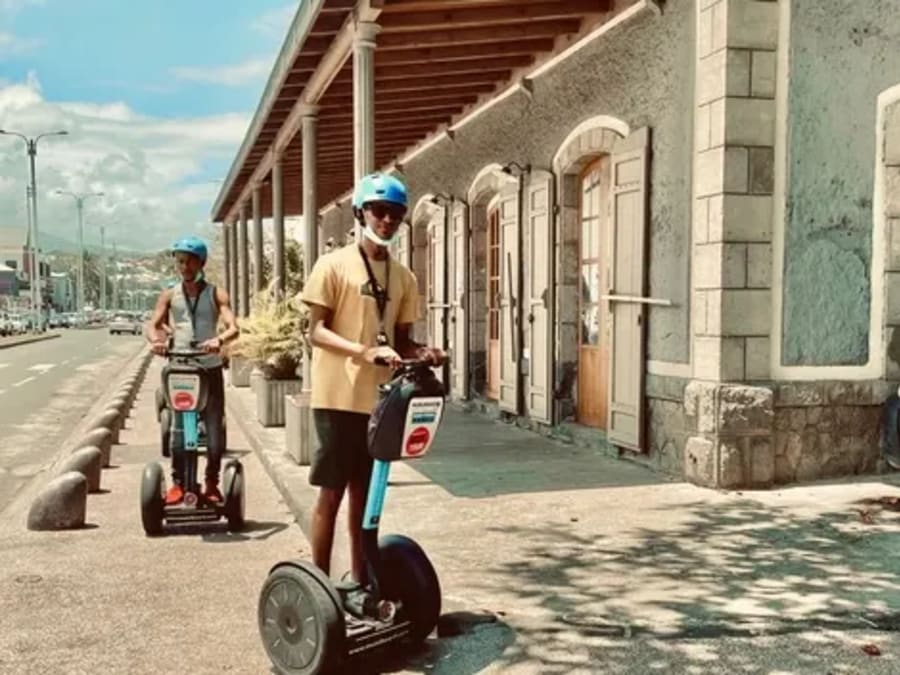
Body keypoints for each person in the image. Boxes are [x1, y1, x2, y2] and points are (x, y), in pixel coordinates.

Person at [301, 172, 445, 584]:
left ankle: (362, 582)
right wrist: (363, 351)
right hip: (336, 398)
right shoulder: (332, 265)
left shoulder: (404, 277)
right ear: (361, 212)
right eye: (379, 211)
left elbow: (402, 339)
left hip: (379, 403)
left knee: (366, 499)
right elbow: (315, 331)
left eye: (395, 214)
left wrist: (426, 352)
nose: (386, 221)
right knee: (331, 495)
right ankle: (319, 585)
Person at [146, 236, 239, 505]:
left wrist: (219, 340)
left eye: (189, 262)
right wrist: (157, 342)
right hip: (181, 368)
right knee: (178, 430)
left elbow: (234, 326)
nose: (184, 267)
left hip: (208, 369)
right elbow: (153, 324)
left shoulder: (216, 293)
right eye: (180, 262)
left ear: (202, 263)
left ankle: (211, 481)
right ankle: (177, 483)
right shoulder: (169, 295)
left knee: (212, 431)